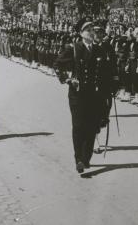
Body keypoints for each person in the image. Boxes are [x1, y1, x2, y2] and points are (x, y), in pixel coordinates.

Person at [54, 18, 111, 174]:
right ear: (81, 33)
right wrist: (68, 79)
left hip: (94, 94)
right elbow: (58, 65)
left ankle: (86, 158)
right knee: (79, 126)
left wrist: (107, 92)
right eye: (88, 30)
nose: (91, 33)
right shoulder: (73, 48)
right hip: (77, 95)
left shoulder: (99, 50)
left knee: (92, 127)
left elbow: (104, 73)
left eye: (92, 30)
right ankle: (79, 159)